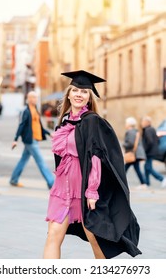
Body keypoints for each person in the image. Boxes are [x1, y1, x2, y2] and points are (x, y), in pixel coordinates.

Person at [43, 70, 141, 259]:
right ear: (69, 94)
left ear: (89, 98)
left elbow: (96, 157)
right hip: (62, 189)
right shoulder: (64, 123)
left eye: (85, 91)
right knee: (53, 235)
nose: (79, 94)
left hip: (84, 189)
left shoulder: (92, 122)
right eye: (76, 90)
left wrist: (92, 191)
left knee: (95, 239)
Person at [10, 91, 54, 189]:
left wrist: (48, 133)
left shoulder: (35, 109)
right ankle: (51, 183)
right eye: (33, 97)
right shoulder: (26, 111)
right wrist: (15, 139)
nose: (35, 99)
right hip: (30, 140)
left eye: (36, 97)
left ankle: (14, 179)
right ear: (29, 98)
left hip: (35, 139)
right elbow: (21, 125)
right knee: (41, 162)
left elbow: (39, 125)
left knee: (23, 160)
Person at [141, 116, 166, 187]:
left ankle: (162, 178)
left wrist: (145, 150)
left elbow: (150, 142)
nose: (142, 123)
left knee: (149, 168)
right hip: (152, 151)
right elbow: (157, 140)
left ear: (147, 122)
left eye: (143, 122)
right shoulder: (152, 129)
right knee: (146, 167)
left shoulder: (147, 130)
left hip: (149, 152)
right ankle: (146, 183)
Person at [123, 117, 147, 187]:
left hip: (133, 153)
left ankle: (143, 183)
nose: (125, 125)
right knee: (135, 168)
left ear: (129, 124)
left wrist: (123, 144)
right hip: (136, 153)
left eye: (126, 123)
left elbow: (130, 143)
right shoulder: (136, 131)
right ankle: (143, 183)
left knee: (125, 168)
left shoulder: (129, 132)